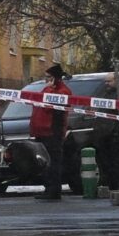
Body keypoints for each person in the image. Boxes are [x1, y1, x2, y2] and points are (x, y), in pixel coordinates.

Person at [33, 60, 74, 201]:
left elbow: (49, 107)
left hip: (53, 132)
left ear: (55, 78)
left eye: (49, 78)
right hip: (43, 132)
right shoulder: (48, 89)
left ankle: (54, 190)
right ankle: (48, 188)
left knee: (54, 162)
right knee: (46, 163)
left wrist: (50, 90)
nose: (46, 81)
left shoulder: (63, 92)